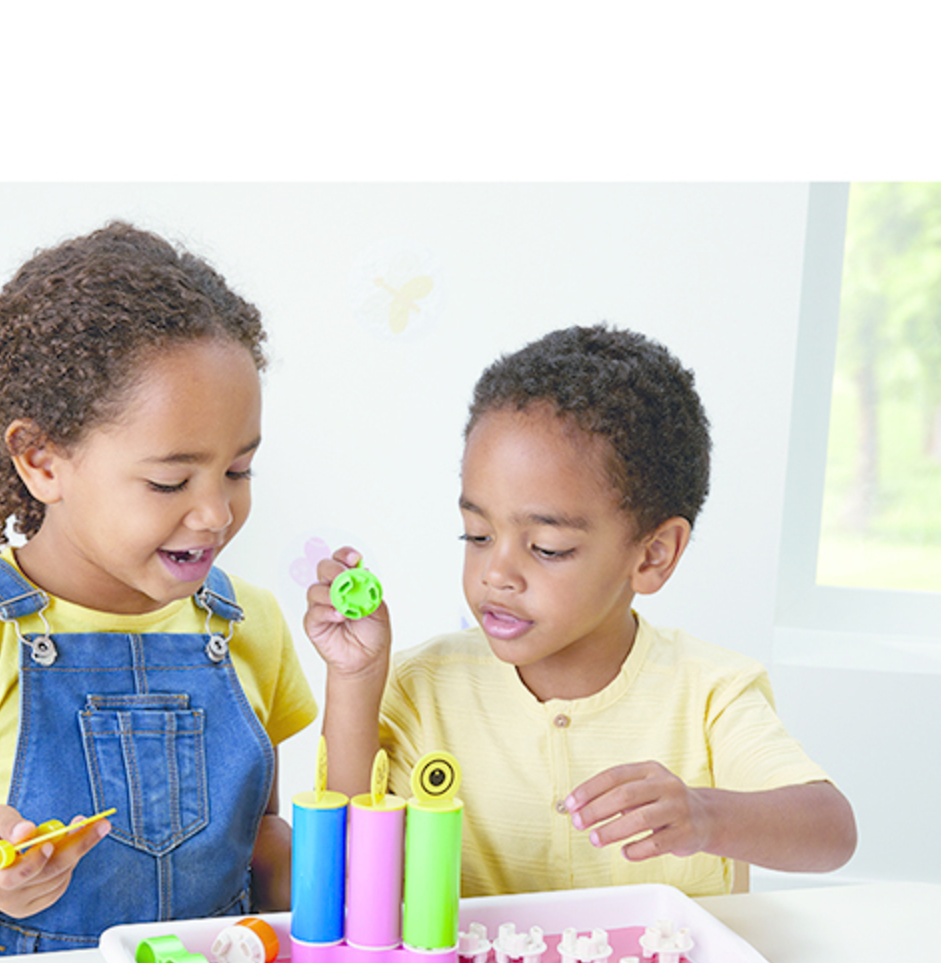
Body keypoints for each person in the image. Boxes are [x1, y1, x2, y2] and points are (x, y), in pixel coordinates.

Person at [0, 222, 317, 959]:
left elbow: (255, 846)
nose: (216, 514)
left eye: (238, 471)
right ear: (41, 461)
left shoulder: (248, 623)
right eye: (169, 481)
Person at [305, 323, 856, 899]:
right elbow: (345, 874)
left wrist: (704, 815)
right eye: (477, 535)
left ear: (652, 554)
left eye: (547, 548)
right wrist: (354, 680)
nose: (497, 573)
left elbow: (831, 830)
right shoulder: (424, 686)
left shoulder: (709, 693)